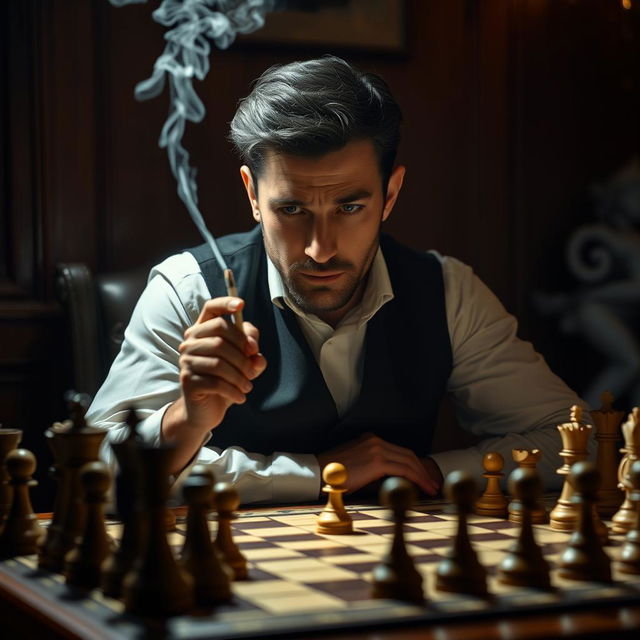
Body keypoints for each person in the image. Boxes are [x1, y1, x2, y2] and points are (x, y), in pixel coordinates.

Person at [87, 55, 591, 504]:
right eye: (291, 209)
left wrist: (435, 472)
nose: (320, 248)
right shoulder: (187, 289)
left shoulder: (447, 291)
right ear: (252, 194)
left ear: (390, 194)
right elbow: (93, 473)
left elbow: (573, 439)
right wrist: (190, 420)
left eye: (351, 206)